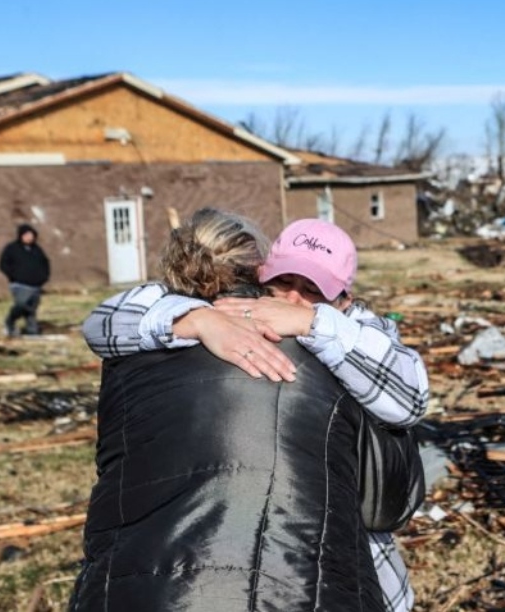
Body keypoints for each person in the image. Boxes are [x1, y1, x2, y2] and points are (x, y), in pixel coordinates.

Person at [81, 217, 429, 612]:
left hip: (346, 551)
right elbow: (99, 323)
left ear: (343, 299)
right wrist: (197, 320)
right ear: (262, 273)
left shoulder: (357, 329)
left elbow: (412, 398)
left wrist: (313, 325)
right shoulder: (222, 312)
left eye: (313, 290)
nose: (294, 298)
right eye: (284, 282)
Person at [0, 223, 50, 336]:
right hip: (20, 284)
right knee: (21, 305)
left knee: (31, 310)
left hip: (36, 285)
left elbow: (45, 263)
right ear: (21, 235)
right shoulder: (12, 248)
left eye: (31, 235)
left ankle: (32, 331)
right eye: (27, 235)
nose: (29, 237)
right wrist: (14, 276)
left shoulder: (37, 249)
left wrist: (44, 277)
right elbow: (3, 264)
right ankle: (10, 321)